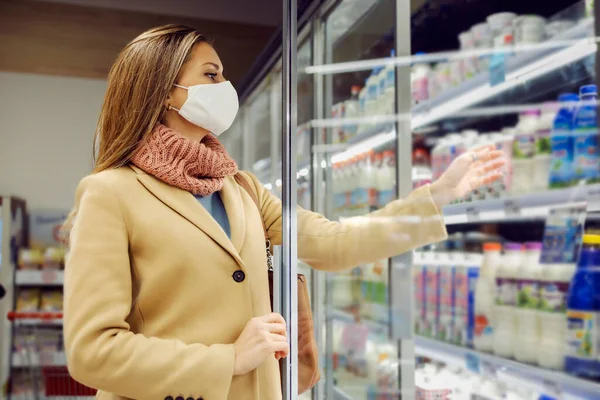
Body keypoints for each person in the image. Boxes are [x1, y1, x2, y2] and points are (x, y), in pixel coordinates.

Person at [63, 25, 504, 400]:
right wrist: (228, 360)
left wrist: (438, 194)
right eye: (211, 75)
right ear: (162, 91)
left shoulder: (241, 189)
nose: (225, 88)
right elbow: (92, 350)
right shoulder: (110, 193)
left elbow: (335, 243)